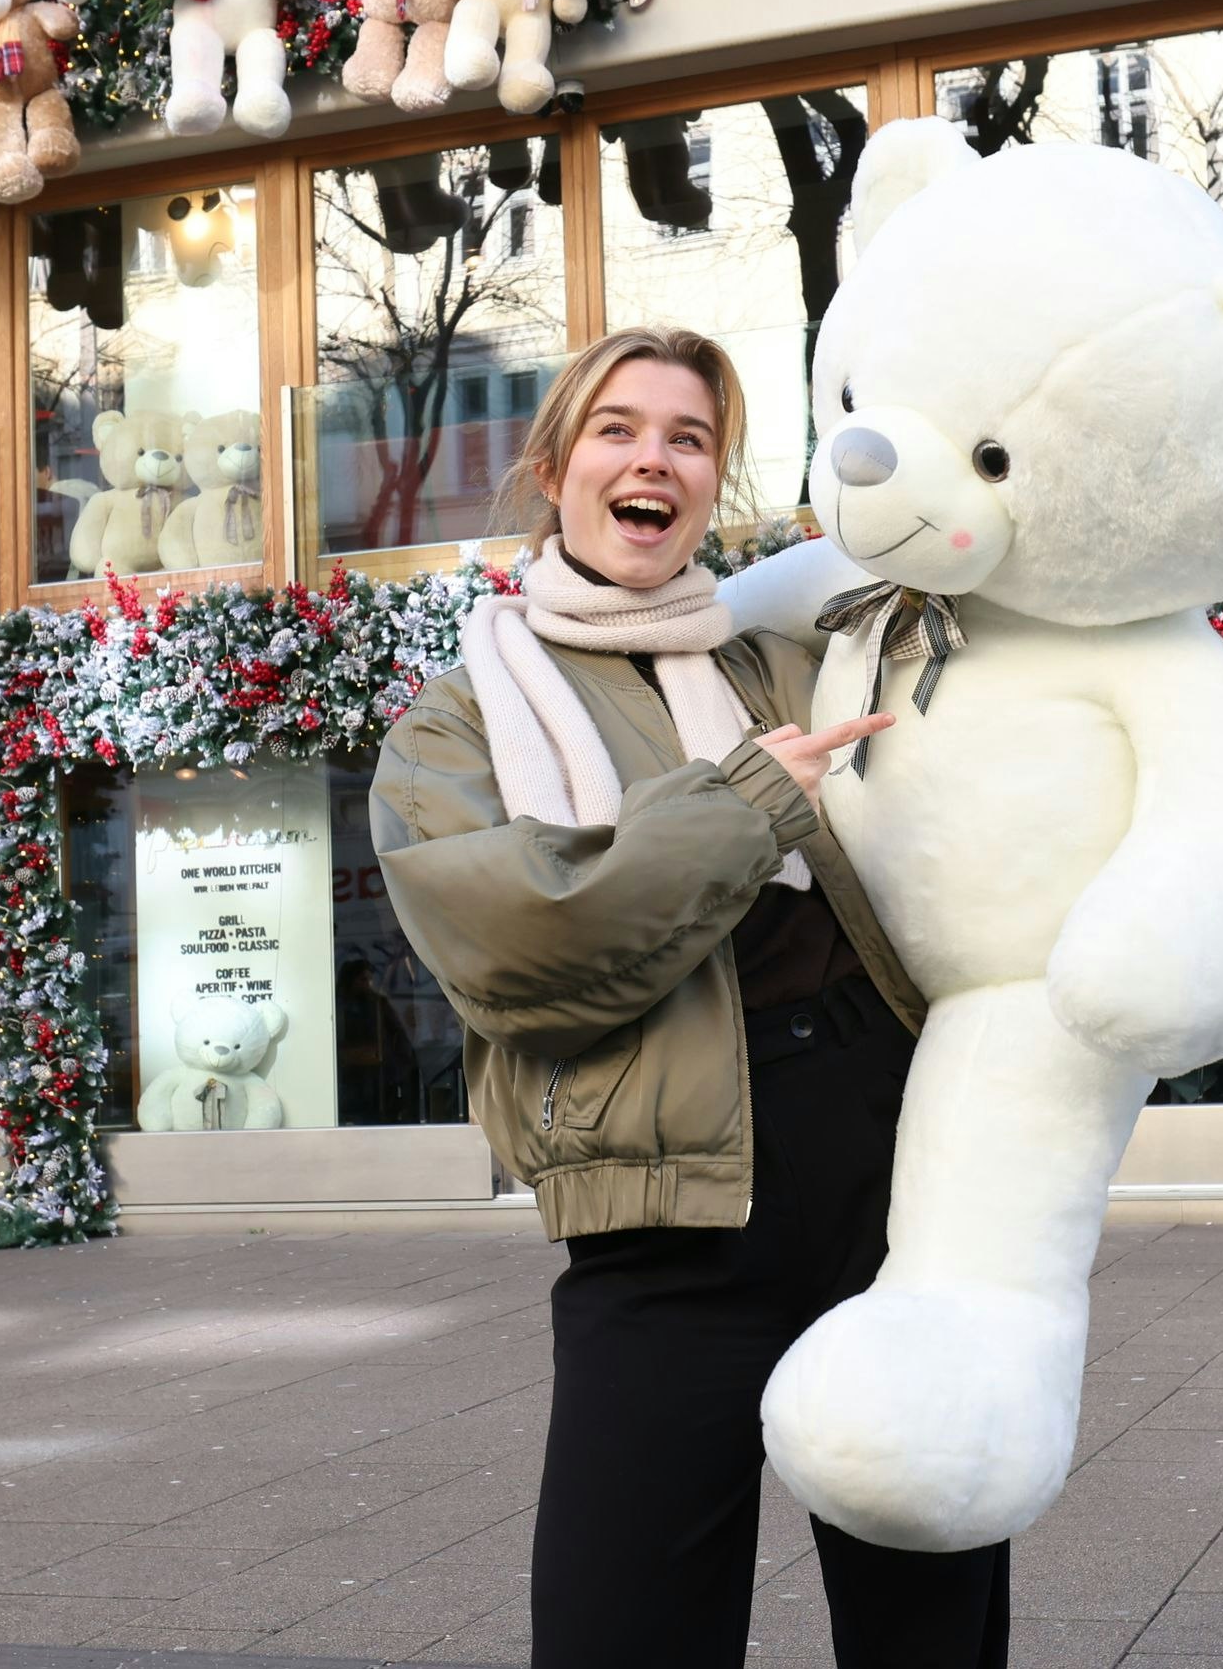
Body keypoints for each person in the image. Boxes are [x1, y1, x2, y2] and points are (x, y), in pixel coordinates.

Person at [369, 327, 1008, 1669]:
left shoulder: (776, 656)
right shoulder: (458, 722)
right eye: (617, 427)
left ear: (714, 481)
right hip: (661, 1216)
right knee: (623, 1630)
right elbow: (522, 949)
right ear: (554, 465)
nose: (652, 456)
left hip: (881, 1181)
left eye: (689, 435)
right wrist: (747, 800)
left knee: (928, 1614)